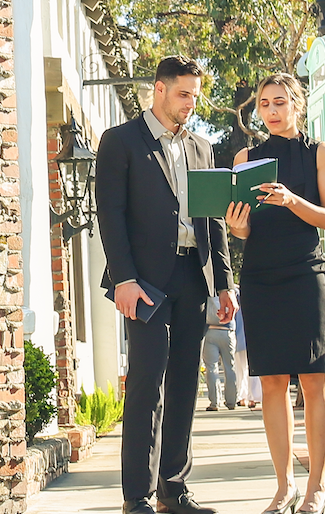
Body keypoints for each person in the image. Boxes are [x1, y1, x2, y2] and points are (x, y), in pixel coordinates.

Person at [97, 55, 235, 514]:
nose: (190, 104)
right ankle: (135, 496)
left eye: (195, 96)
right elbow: (111, 216)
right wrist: (124, 279)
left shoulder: (202, 147)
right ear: (158, 90)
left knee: (183, 387)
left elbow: (212, 220)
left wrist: (224, 284)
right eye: (183, 94)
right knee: (146, 384)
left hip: (192, 279)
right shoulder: (120, 142)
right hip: (146, 282)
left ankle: (173, 490)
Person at [226, 72, 325, 514]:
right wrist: (237, 225)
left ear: (296, 104)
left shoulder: (320, 154)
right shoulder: (245, 157)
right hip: (259, 278)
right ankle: (285, 485)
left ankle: (317, 486)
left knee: (314, 380)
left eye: (280, 102)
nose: (272, 111)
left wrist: (292, 200)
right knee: (272, 382)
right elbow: (241, 229)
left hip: (305, 275)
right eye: (264, 104)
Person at [201, 297, 237, 411]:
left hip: (210, 331)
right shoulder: (229, 290)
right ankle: (231, 401)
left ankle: (215, 402)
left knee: (211, 367)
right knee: (230, 367)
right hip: (227, 332)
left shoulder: (207, 289)